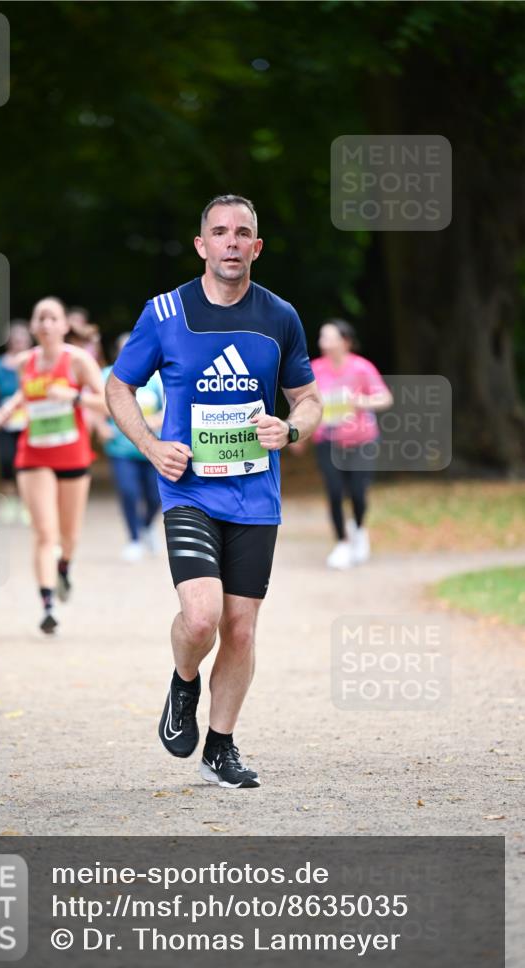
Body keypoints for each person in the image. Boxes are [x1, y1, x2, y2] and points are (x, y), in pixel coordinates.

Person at [106, 194, 322, 789]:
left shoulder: (280, 317)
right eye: (219, 232)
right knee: (201, 619)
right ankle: (183, 681)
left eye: (242, 233)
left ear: (256, 247)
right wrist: (151, 447)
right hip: (189, 490)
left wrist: (292, 426)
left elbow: (309, 396)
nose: (231, 242)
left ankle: (220, 746)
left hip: (256, 496)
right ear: (202, 245)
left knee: (243, 628)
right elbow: (118, 386)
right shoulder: (165, 312)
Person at [0, 297, 107, 634]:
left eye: (52, 318)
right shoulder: (23, 363)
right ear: (33, 326)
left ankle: (64, 568)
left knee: (68, 536)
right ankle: (48, 605)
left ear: (63, 326)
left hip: (72, 455)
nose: (45, 324)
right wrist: (9, 408)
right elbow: (25, 395)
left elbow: (106, 403)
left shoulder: (78, 361)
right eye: (40, 318)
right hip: (33, 455)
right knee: (45, 532)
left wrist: (72, 398)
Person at [308, 319, 392, 569]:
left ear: (345, 341)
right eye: (322, 337)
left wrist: (361, 402)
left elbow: (385, 398)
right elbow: (304, 402)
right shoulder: (314, 369)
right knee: (334, 491)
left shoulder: (362, 367)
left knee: (357, 492)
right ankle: (342, 543)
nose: (323, 342)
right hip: (327, 440)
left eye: (329, 337)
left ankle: (358, 528)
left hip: (361, 439)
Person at [100, 333, 164, 561]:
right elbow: (96, 406)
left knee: (156, 498)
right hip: (121, 447)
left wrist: (158, 418)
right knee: (129, 493)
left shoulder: (155, 377)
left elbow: (169, 406)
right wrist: (99, 426)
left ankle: (146, 527)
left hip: (152, 446)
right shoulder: (107, 375)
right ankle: (134, 539)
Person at [0, 320, 32, 521]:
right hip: (5, 420)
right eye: (15, 339)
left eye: (22, 339)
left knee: (28, 463)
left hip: (30, 421)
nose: (19, 342)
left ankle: (28, 502)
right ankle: (9, 500)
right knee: (5, 459)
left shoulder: (35, 362)